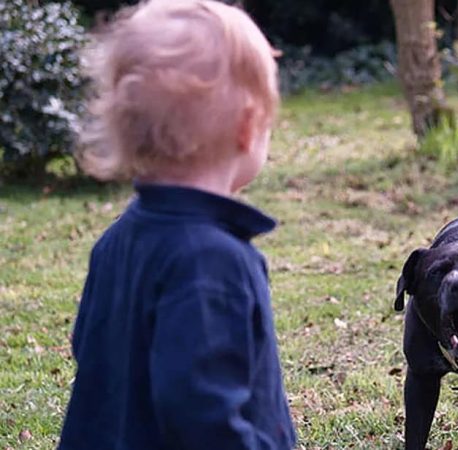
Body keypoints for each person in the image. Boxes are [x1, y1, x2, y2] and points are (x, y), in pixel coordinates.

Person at [58, 1, 296, 448]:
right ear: (248, 127)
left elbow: (88, 349)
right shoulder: (214, 262)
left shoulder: (117, 240)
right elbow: (204, 418)